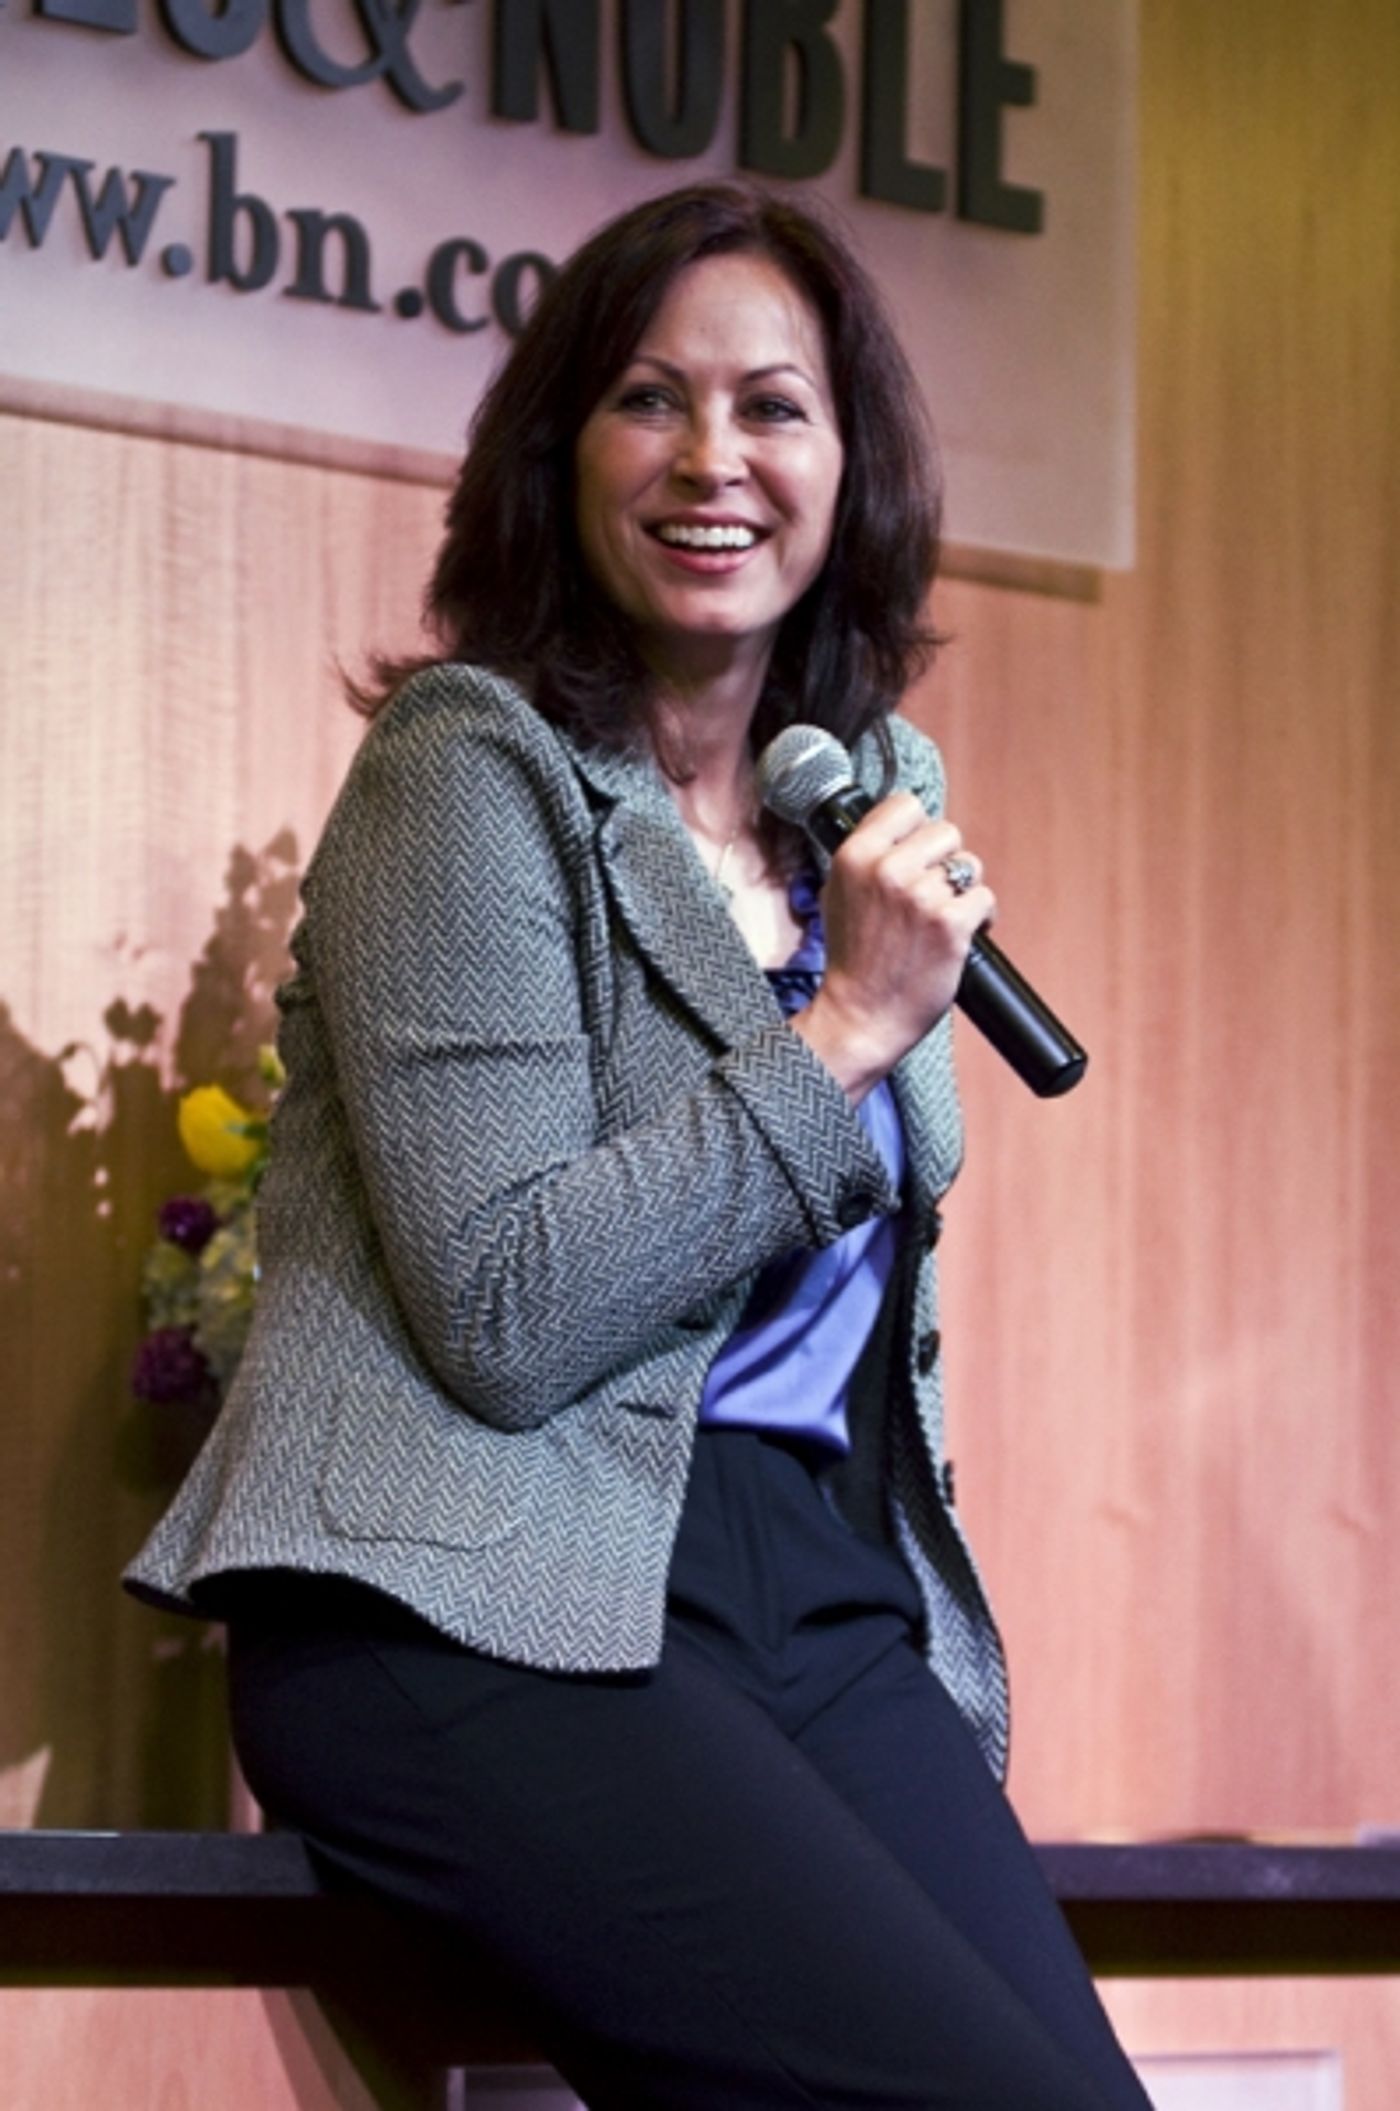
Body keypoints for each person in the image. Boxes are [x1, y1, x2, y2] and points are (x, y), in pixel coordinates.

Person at [126, 182, 1149, 2110]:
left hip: (808, 1588)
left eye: (773, 407)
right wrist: (841, 1029)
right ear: (560, 449)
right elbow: (506, 1304)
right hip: (466, 1591)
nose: (714, 460)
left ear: (850, 468)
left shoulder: (862, 801)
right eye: (648, 401)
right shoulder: (470, 769)